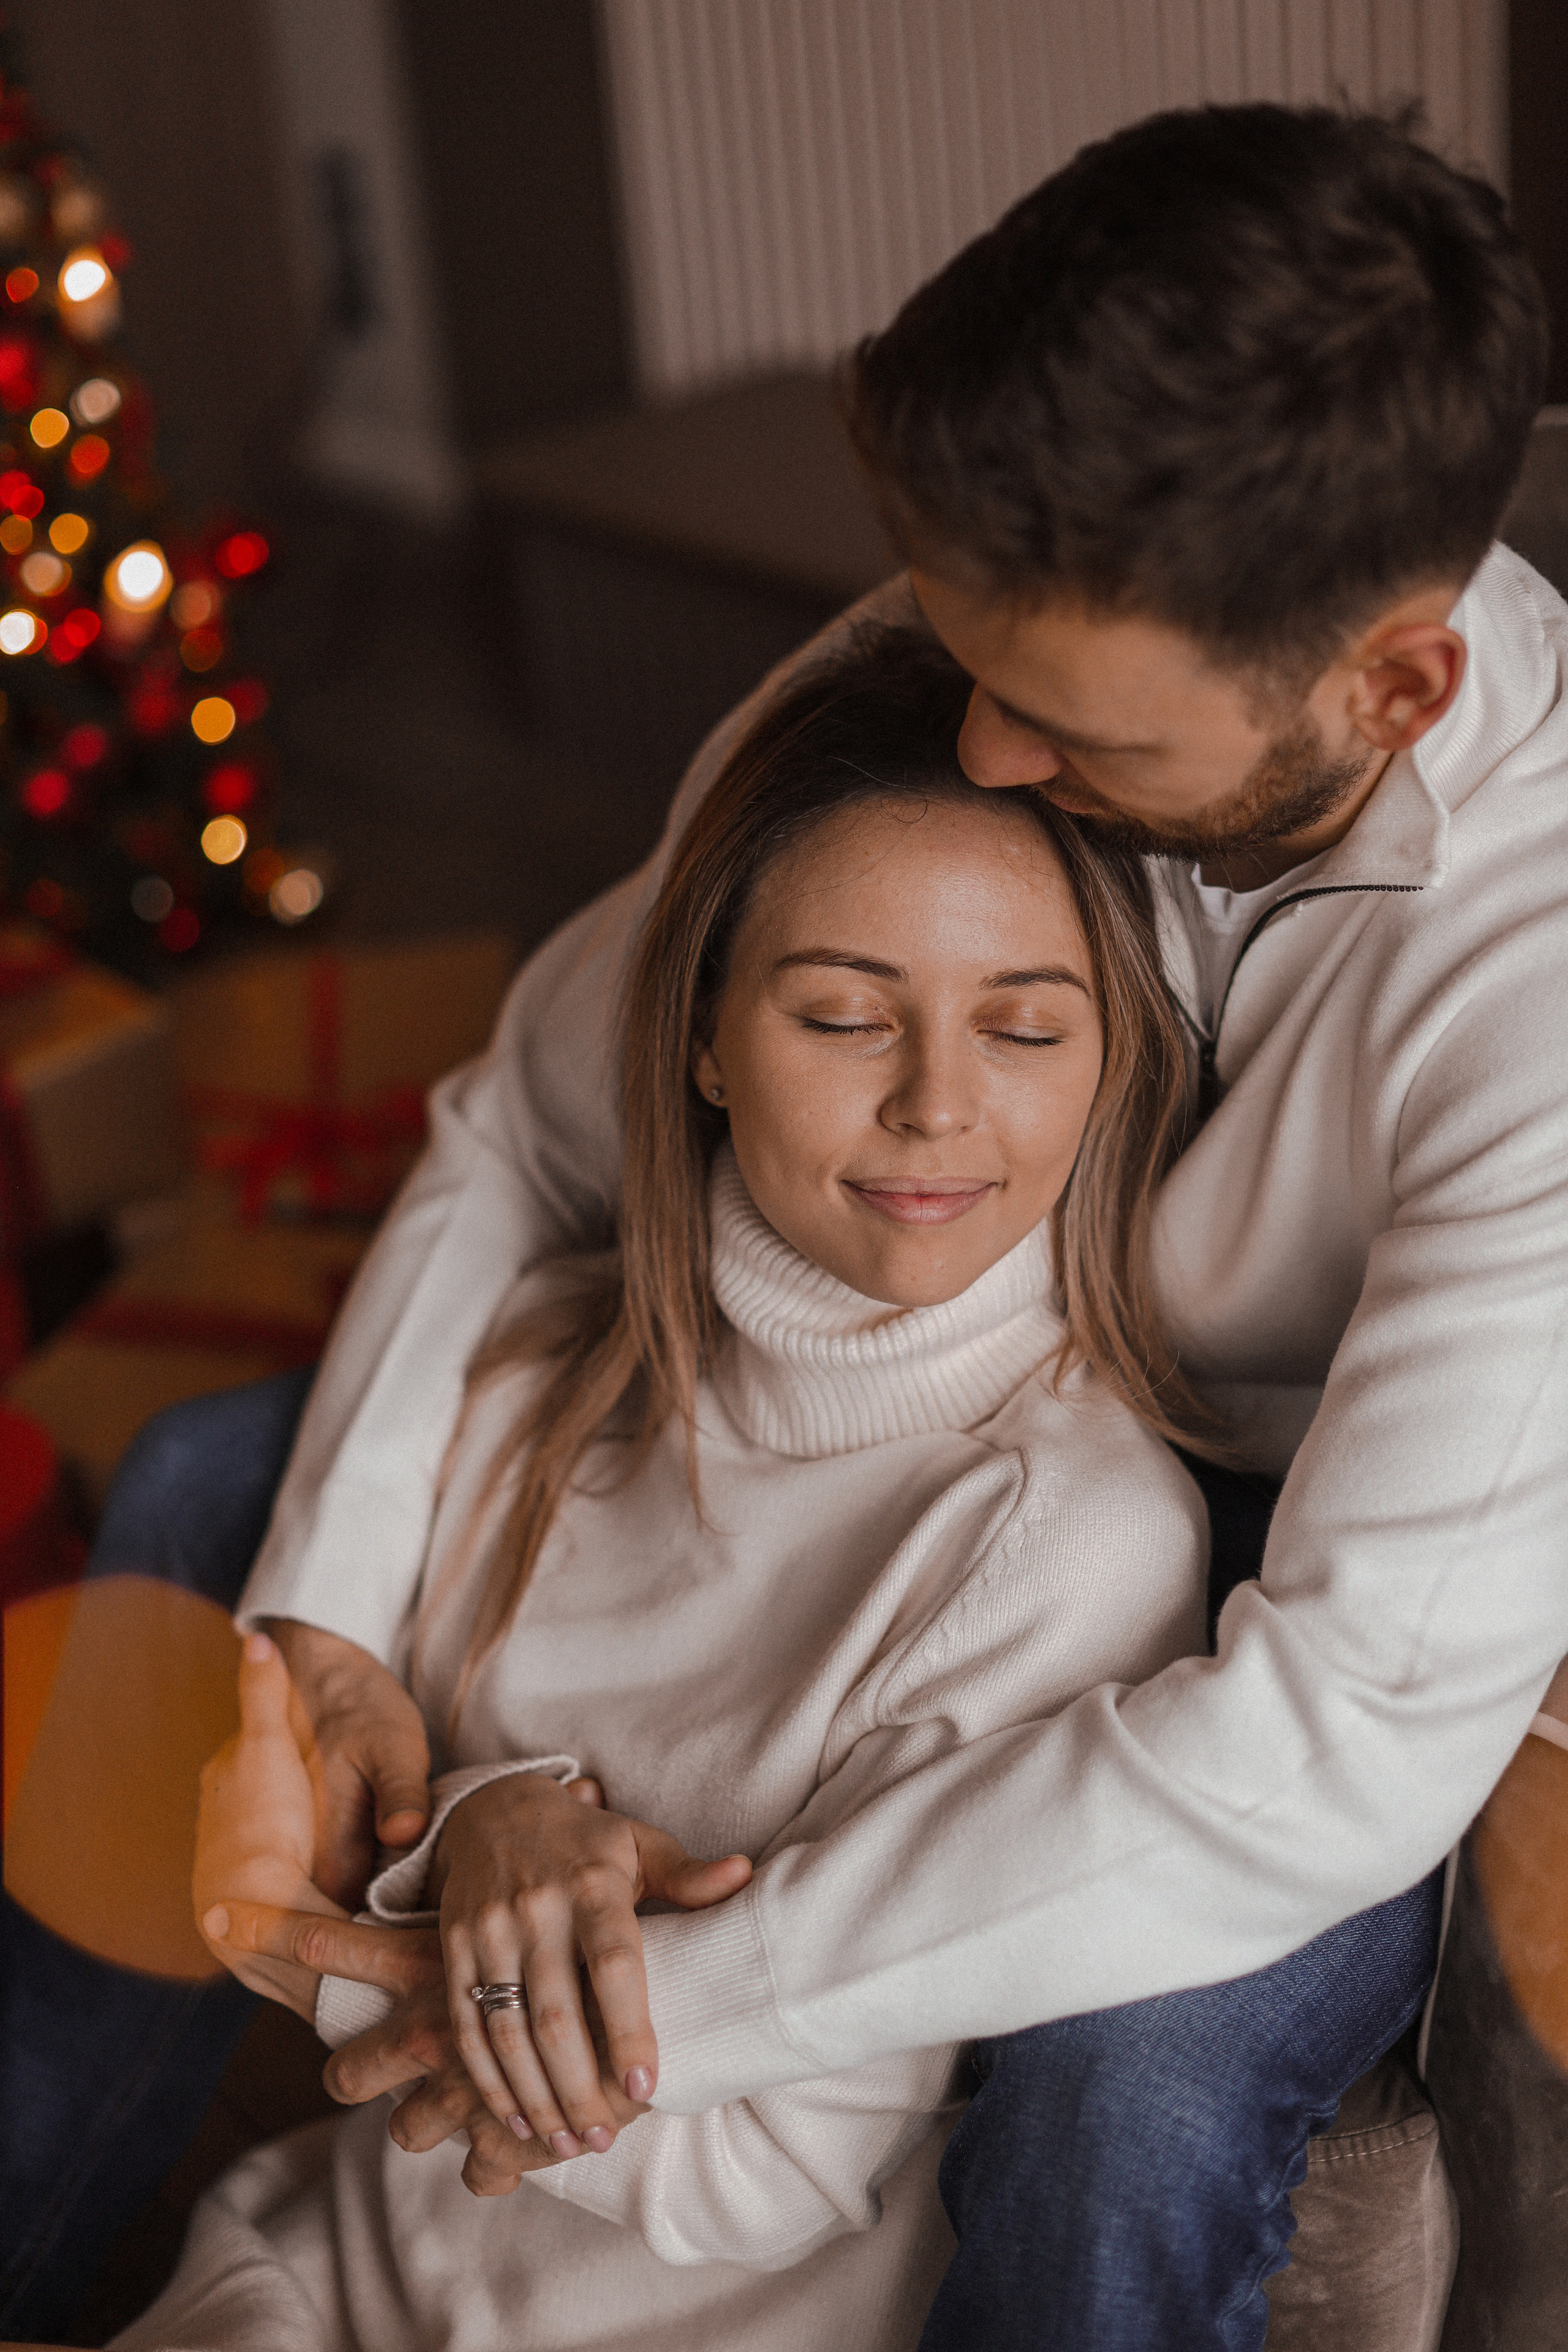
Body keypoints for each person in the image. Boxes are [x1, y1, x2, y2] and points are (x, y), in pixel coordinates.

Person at [4, 97, 1563, 2351]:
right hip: (854, 1348)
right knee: (197, 1488)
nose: (989, 753)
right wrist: (334, 1624)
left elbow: (1335, 1739)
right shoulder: (993, 653)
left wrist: (661, 2010)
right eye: (969, 663)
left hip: (1306, 1565)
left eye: (1071, 727)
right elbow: (528, 1117)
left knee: (1135, 2091)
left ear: (1391, 692)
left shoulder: (1538, 1006)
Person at [116, 628, 1210, 2350]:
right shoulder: (534, 1361)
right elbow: (268, 1912)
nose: (937, 1103)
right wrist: (489, 1828)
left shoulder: (1068, 1546)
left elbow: (764, 2166)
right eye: (845, 1014)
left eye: (1025, 1029)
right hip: (312, 2273)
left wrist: (455, 1872)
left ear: (1113, 1066)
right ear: (707, 1039)